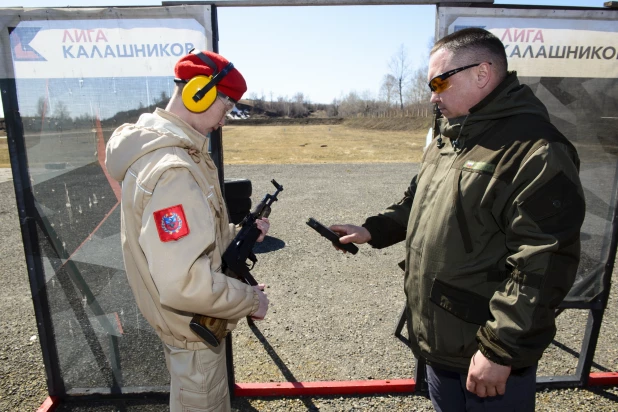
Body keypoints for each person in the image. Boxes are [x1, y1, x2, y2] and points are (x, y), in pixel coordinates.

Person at [331, 28, 585, 411]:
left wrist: (500, 350)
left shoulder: (536, 150)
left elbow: (545, 263)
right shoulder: (449, 137)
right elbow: (419, 200)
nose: (433, 95)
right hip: (442, 344)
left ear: (482, 73)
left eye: (439, 82)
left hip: (486, 351)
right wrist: (372, 230)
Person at [105, 49, 270, 411]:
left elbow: (189, 242)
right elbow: (185, 284)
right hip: (193, 335)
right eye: (225, 109)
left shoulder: (170, 152)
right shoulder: (174, 170)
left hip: (190, 329)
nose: (224, 121)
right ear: (200, 93)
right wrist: (251, 300)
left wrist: (233, 235)